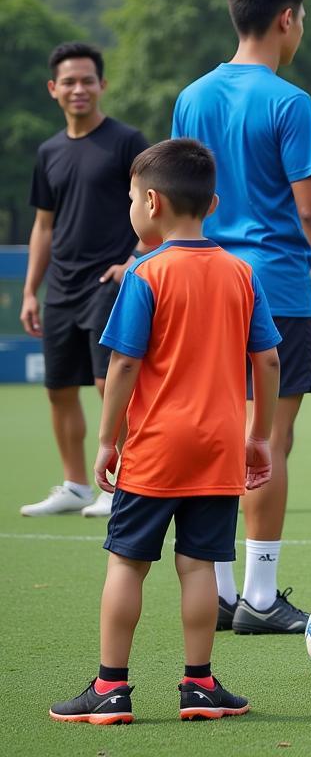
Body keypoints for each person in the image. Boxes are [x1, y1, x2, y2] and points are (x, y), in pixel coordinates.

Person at [172, 0, 311, 635]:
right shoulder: (290, 102)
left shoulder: (192, 98)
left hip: (202, 284)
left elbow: (180, 200)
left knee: (219, 436)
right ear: (287, 18)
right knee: (269, 440)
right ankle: (261, 598)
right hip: (275, 291)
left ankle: (225, 590)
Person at [49, 139, 281, 725]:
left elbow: (124, 364)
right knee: (200, 565)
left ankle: (110, 688)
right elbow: (269, 360)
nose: (130, 207)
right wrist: (260, 435)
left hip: (156, 447)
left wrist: (107, 440)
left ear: (151, 202)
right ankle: (199, 687)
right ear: (213, 201)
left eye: (130, 198)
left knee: (128, 564)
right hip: (220, 446)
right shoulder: (241, 272)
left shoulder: (145, 273)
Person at [20, 42, 148, 519]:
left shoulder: (127, 142)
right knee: (58, 387)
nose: (79, 89)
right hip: (62, 288)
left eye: (87, 80)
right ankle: (75, 485)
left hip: (110, 283)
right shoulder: (48, 151)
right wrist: (32, 289)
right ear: (54, 89)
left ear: (102, 85)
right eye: (68, 81)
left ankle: (123, 486)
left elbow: (157, 202)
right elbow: (43, 226)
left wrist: (133, 259)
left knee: (105, 382)